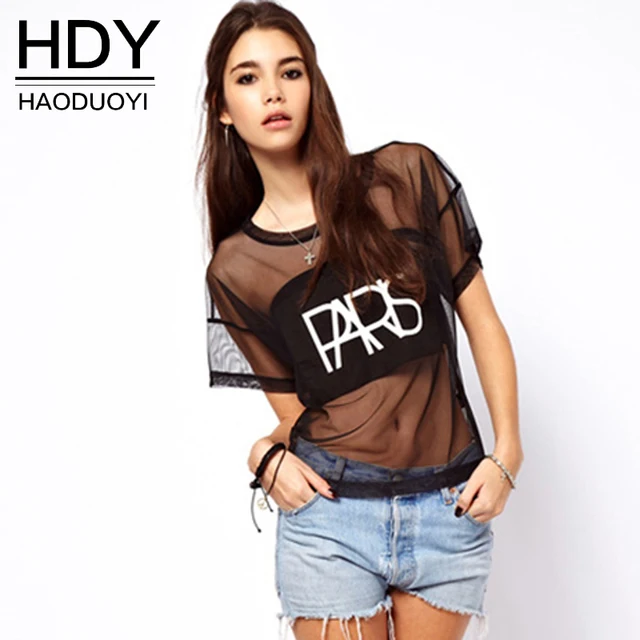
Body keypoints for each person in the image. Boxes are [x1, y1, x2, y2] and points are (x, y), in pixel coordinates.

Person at [196, 2, 524, 639]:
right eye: (248, 78)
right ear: (223, 107)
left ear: (313, 84)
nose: (272, 92)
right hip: (331, 523)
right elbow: (298, 416)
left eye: (290, 72)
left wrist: (507, 451)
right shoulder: (237, 267)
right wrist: (264, 455)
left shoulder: (405, 178)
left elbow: (482, 322)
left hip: (449, 509)